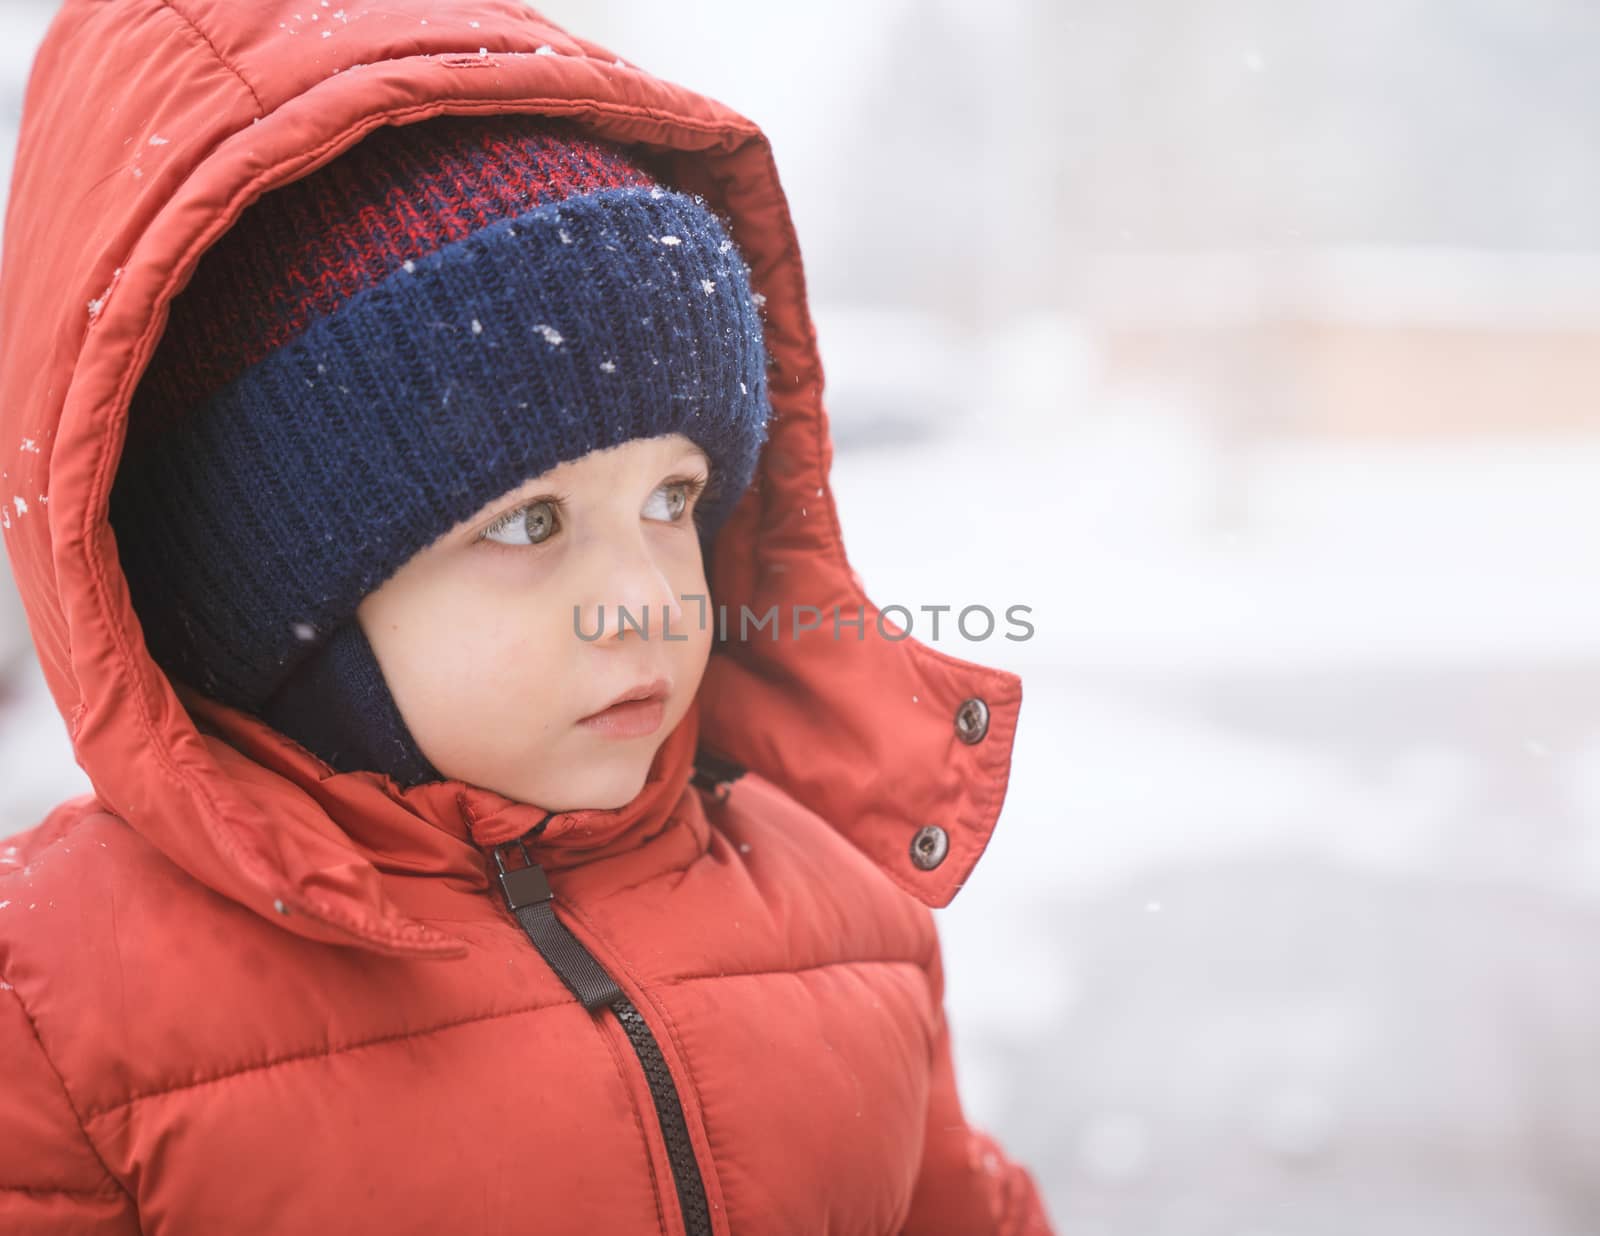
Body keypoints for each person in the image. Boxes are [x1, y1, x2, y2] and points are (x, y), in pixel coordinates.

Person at [0, 3, 1053, 1233]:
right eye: (528, 525)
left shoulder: (846, 916)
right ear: (279, 602)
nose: (649, 602)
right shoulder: (57, 1014)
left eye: (673, 499)